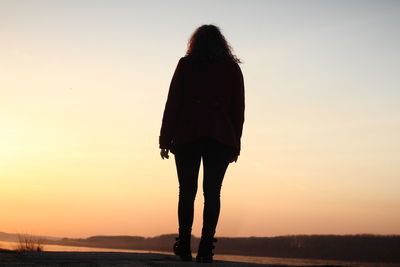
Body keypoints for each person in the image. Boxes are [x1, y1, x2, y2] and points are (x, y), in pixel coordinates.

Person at [159, 24, 245, 263]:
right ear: (221, 44)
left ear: (194, 43)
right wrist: (235, 143)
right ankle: (206, 248)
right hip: (220, 138)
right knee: (213, 193)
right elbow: (238, 110)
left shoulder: (186, 65)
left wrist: (165, 139)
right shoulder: (232, 69)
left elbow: (173, 102)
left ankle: (184, 245)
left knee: (186, 192)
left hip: (187, 135)